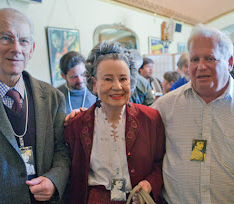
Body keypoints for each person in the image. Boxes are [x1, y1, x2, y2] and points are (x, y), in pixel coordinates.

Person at [152, 24, 234, 203]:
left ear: (229, 62)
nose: (201, 66)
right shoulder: (164, 107)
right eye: (195, 59)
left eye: (210, 58)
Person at [0, 8, 70, 203]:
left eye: (24, 41)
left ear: (32, 49)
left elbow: (62, 151)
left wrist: (54, 180)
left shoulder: (53, 97)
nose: (17, 48)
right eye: (6, 38)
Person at [64, 42, 165, 203]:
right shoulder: (77, 125)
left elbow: (161, 163)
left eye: (123, 78)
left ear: (131, 82)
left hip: (137, 199)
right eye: (108, 79)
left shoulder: (151, 119)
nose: (117, 86)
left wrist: (150, 183)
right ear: (94, 84)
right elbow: (71, 174)